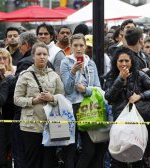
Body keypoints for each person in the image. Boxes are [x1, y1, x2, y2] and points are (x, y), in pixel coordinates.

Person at [104, 47, 150, 168]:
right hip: (119, 121)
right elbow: (109, 96)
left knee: (138, 157)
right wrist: (120, 79)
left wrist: (140, 96)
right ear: (115, 62)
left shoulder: (138, 74)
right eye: (121, 61)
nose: (124, 64)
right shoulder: (111, 76)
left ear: (131, 62)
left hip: (136, 120)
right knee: (119, 158)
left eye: (127, 61)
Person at [14, 42, 64, 168]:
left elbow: (62, 98)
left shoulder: (54, 76)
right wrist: (33, 100)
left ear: (48, 56)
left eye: (45, 54)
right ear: (33, 57)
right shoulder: (25, 75)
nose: (42, 57)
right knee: (33, 161)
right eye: (39, 54)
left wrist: (51, 98)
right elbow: (16, 99)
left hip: (50, 125)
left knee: (49, 161)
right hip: (30, 126)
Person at [60, 33, 104, 168]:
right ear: (71, 47)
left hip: (88, 108)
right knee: (70, 149)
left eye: (81, 45)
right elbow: (67, 89)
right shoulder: (65, 62)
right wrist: (73, 72)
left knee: (89, 149)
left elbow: (98, 88)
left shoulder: (91, 63)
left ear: (85, 46)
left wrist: (86, 90)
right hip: (71, 107)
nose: (78, 48)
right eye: (75, 45)